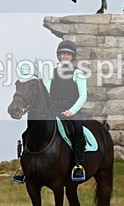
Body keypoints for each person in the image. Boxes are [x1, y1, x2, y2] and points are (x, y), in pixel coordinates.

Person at [12, 40, 89, 183]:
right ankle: (24, 168)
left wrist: (72, 111)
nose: (65, 56)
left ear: (72, 57)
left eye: (68, 54)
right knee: (27, 133)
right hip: (53, 110)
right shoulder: (52, 73)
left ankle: (78, 165)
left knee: (78, 129)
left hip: (70, 111)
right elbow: (46, 93)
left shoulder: (78, 73)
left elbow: (83, 96)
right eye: (63, 54)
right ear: (59, 56)